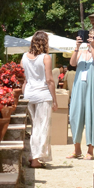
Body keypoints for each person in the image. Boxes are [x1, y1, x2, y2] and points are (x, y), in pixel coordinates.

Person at [21, 31, 58, 169]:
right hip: (43, 95)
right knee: (41, 127)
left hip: (29, 94)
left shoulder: (24, 57)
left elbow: (25, 79)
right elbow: (49, 80)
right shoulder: (45, 58)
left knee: (35, 127)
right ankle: (35, 158)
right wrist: (54, 99)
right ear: (45, 42)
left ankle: (34, 155)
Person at [68, 28, 94, 160]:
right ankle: (77, 149)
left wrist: (92, 47)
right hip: (78, 87)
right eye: (88, 36)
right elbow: (72, 63)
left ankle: (90, 149)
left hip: (91, 87)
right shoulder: (80, 52)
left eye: (92, 37)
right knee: (75, 116)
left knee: (90, 117)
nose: (89, 38)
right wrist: (77, 46)